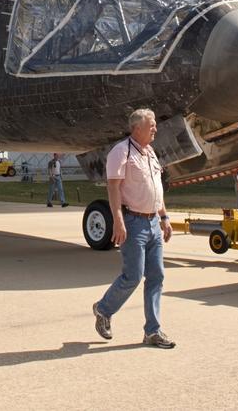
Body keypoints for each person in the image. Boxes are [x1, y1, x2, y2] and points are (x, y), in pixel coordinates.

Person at [92, 108, 175, 349]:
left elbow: (156, 188)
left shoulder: (150, 153)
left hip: (153, 222)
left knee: (156, 276)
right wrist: (118, 220)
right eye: (152, 125)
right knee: (133, 275)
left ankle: (153, 331)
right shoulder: (121, 152)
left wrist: (164, 217)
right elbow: (113, 188)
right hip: (133, 222)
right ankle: (103, 309)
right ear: (136, 128)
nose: (156, 129)